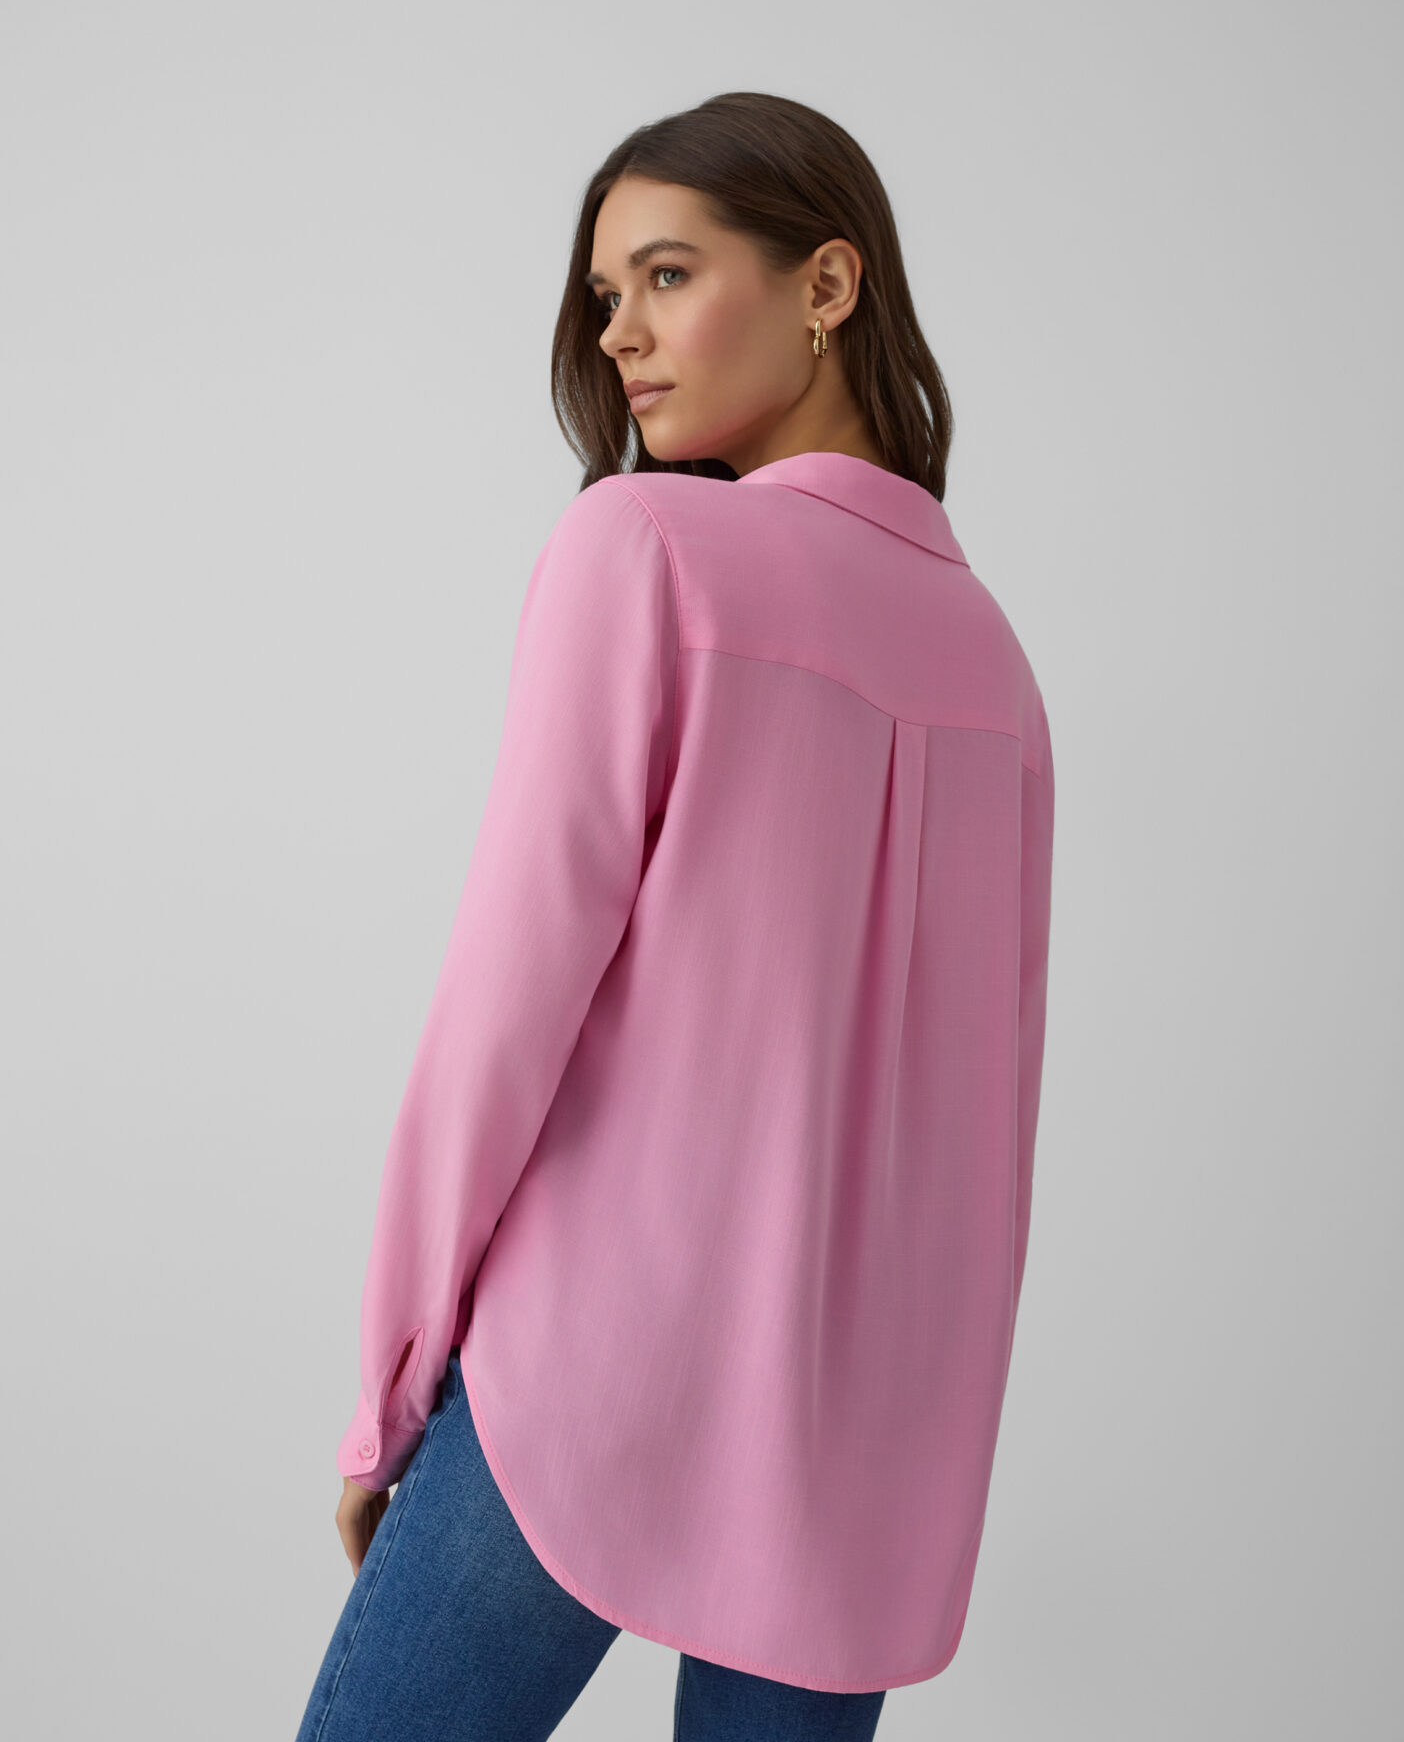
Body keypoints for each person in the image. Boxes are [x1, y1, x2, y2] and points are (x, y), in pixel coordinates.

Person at [296, 90, 1055, 1742]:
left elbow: (503, 1008)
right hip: (861, 1438)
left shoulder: (643, 546)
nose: (619, 336)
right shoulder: (993, 657)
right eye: (605, 296)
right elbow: (989, 1117)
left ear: (827, 285)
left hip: (590, 1374)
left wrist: (392, 1387)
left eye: (666, 275)